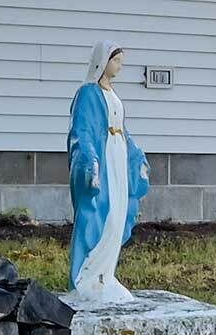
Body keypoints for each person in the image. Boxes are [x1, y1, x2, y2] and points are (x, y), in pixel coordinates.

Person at [65, 46, 151, 306]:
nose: (120, 66)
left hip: (118, 158)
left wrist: (137, 157)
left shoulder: (113, 94)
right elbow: (83, 130)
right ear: (103, 62)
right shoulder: (88, 93)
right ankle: (86, 277)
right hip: (103, 159)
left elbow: (123, 130)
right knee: (100, 214)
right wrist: (90, 162)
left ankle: (106, 275)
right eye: (116, 60)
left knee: (116, 214)